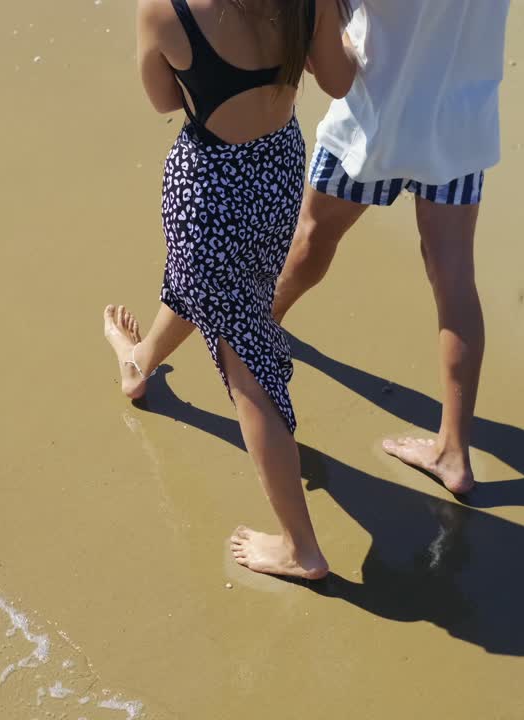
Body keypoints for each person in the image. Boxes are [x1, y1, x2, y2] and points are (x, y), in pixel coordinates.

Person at [103, 0, 354, 579]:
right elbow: (339, 83)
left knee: (246, 368)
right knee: (221, 292)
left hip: (211, 188)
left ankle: (301, 549)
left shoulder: (165, 11)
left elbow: (166, 101)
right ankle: (138, 365)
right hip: (278, 170)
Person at [272, 0, 512, 495]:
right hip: (460, 124)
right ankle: (453, 452)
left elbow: (327, 47)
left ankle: (254, 331)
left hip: (374, 120)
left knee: (313, 236)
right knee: (454, 279)